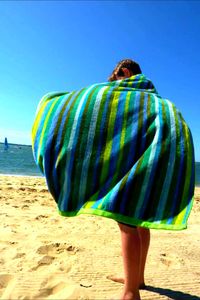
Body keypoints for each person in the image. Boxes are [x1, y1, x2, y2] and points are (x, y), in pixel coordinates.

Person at [32, 59, 195, 300]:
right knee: (139, 219)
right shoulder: (152, 100)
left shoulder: (133, 97)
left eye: (114, 78)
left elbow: (98, 109)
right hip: (157, 157)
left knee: (125, 218)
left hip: (146, 157)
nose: (111, 85)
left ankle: (130, 293)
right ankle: (136, 278)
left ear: (125, 72)